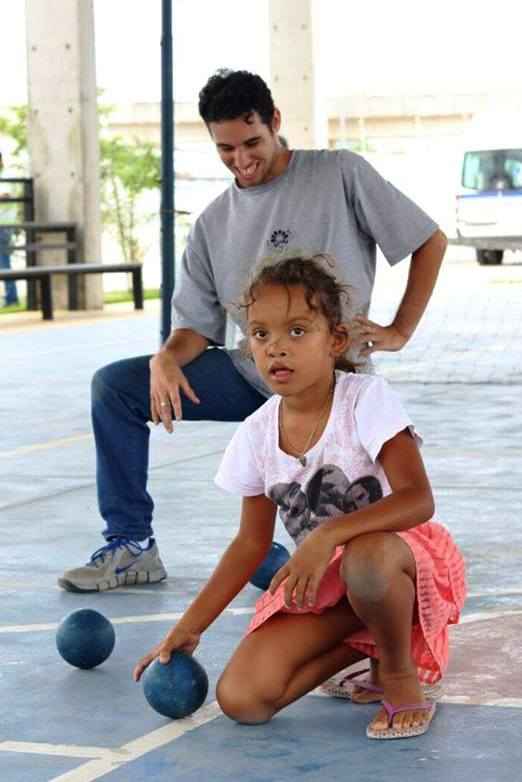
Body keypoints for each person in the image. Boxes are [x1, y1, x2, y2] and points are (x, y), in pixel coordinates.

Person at [59, 68, 448, 593]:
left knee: (339, 544)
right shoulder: (212, 224)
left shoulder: (339, 174)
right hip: (254, 375)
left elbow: (430, 240)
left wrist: (401, 328)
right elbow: (196, 327)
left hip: (327, 386)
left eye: (252, 142)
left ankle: (333, 561)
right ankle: (132, 546)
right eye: (225, 149)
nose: (241, 160)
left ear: (275, 123)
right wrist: (167, 358)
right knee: (115, 386)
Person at [133, 255, 467, 740]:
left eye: (296, 331)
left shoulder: (364, 399)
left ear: (334, 341)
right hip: (328, 587)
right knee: (244, 699)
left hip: (401, 569)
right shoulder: (256, 433)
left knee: (365, 558)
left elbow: (419, 500)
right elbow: (250, 544)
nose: (276, 349)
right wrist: (191, 625)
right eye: (261, 334)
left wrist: (329, 533)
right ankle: (368, 644)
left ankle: (398, 672)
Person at [0, 151, 19, 307]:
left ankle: (11, 297)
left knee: (4, 262)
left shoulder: (6, 176)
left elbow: (5, 195)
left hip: (3, 226)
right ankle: (10, 296)